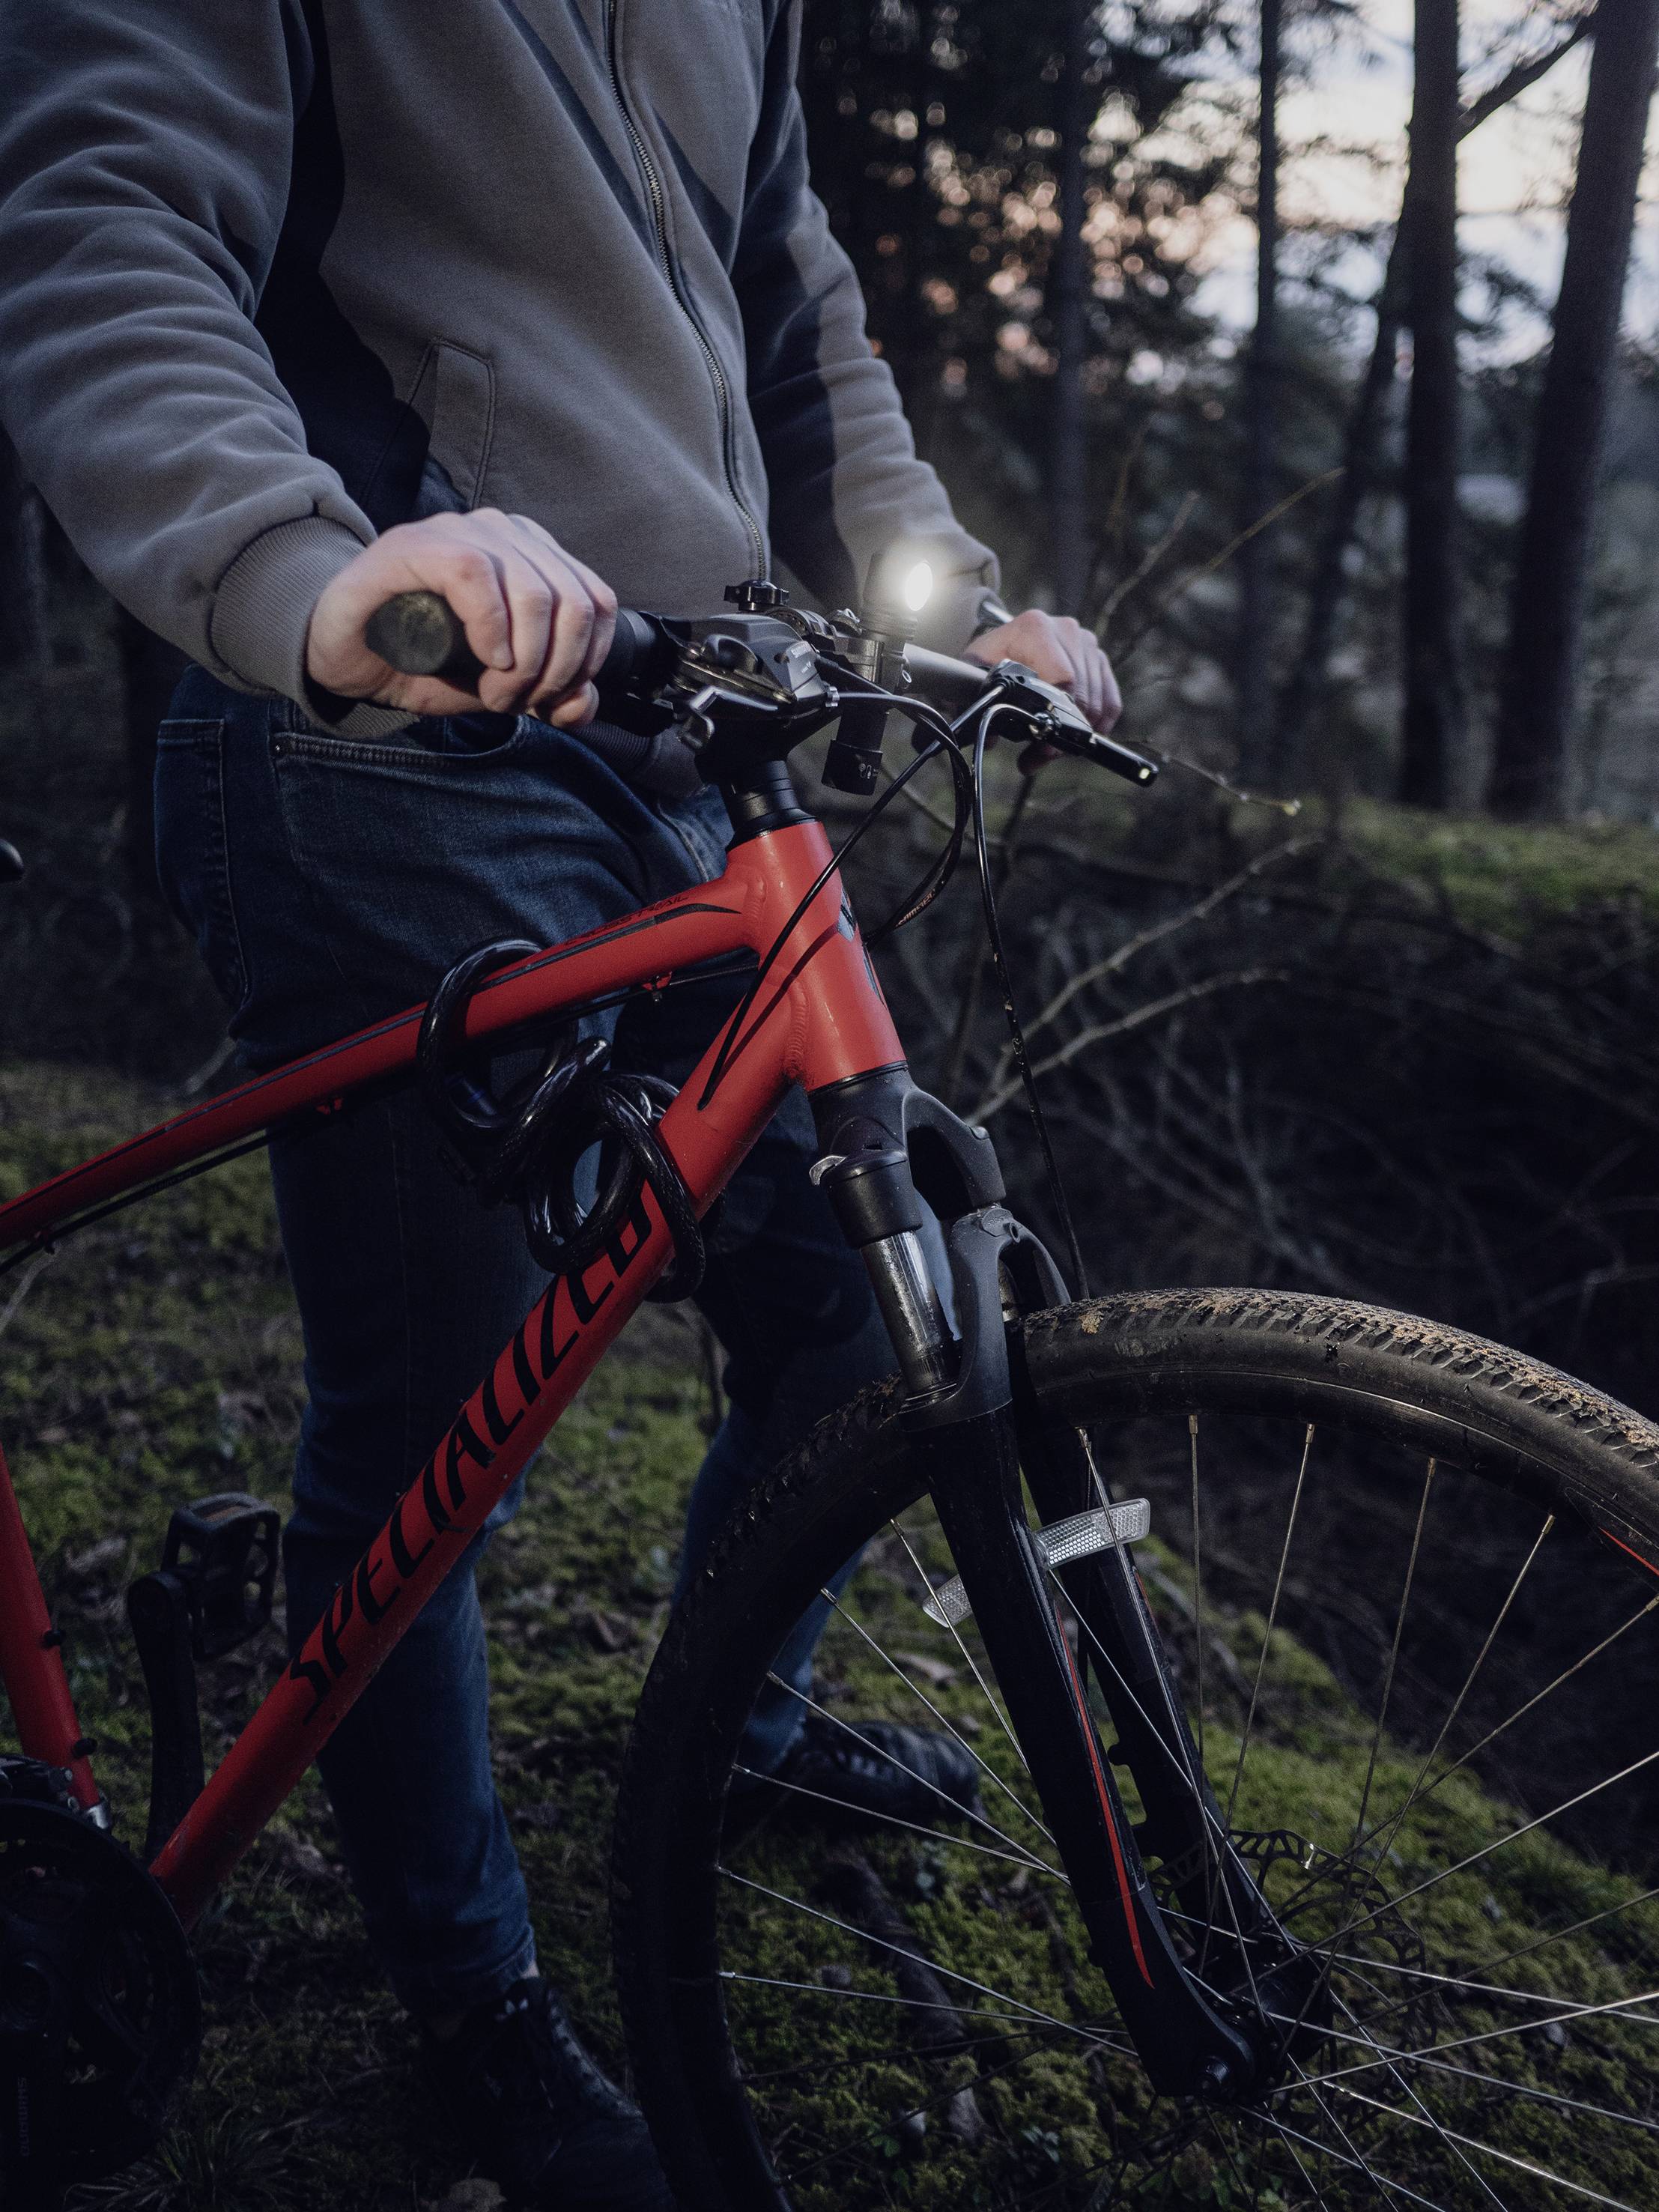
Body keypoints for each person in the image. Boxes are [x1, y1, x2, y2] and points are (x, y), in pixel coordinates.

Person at [0, 6, 1122, 2205]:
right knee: (439, 1412)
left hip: (692, 722)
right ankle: (469, 1991)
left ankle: (744, 1725)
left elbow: (801, 314)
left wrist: (944, 595)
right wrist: (300, 563)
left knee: (844, 1279)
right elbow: (107, 210)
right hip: (390, 710)